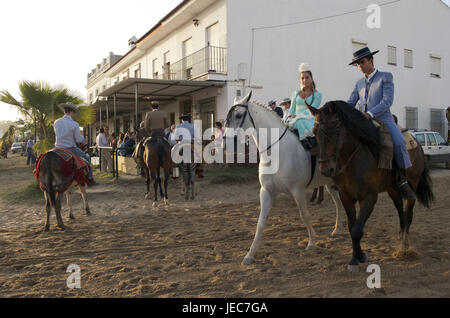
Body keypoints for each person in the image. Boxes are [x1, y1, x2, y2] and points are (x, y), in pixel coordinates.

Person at [347, 46, 416, 200]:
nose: (360, 66)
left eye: (362, 62)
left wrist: (370, 113)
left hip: (384, 119)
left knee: (398, 142)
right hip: (364, 121)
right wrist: (340, 111)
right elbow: (351, 102)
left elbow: (387, 101)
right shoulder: (358, 83)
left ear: (371, 60)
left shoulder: (386, 76)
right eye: (357, 64)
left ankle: (402, 180)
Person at [54, 102, 96, 186]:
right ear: (72, 112)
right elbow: (78, 139)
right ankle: (90, 180)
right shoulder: (74, 124)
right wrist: (82, 138)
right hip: (70, 148)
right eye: (74, 113)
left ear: (64, 111)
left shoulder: (56, 122)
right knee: (87, 159)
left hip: (57, 149)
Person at [288, 63, 322, 139]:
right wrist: (289, 117)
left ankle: (308, 142)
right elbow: (292, 110)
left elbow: (311, 110)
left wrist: (298, 117)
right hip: (295, 120)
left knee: (300, 122)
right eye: (302, 78)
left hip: (309, 120)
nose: (305, 80)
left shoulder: (318, 95)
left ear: (311, 78)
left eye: (307, 77)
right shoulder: (295, 93)